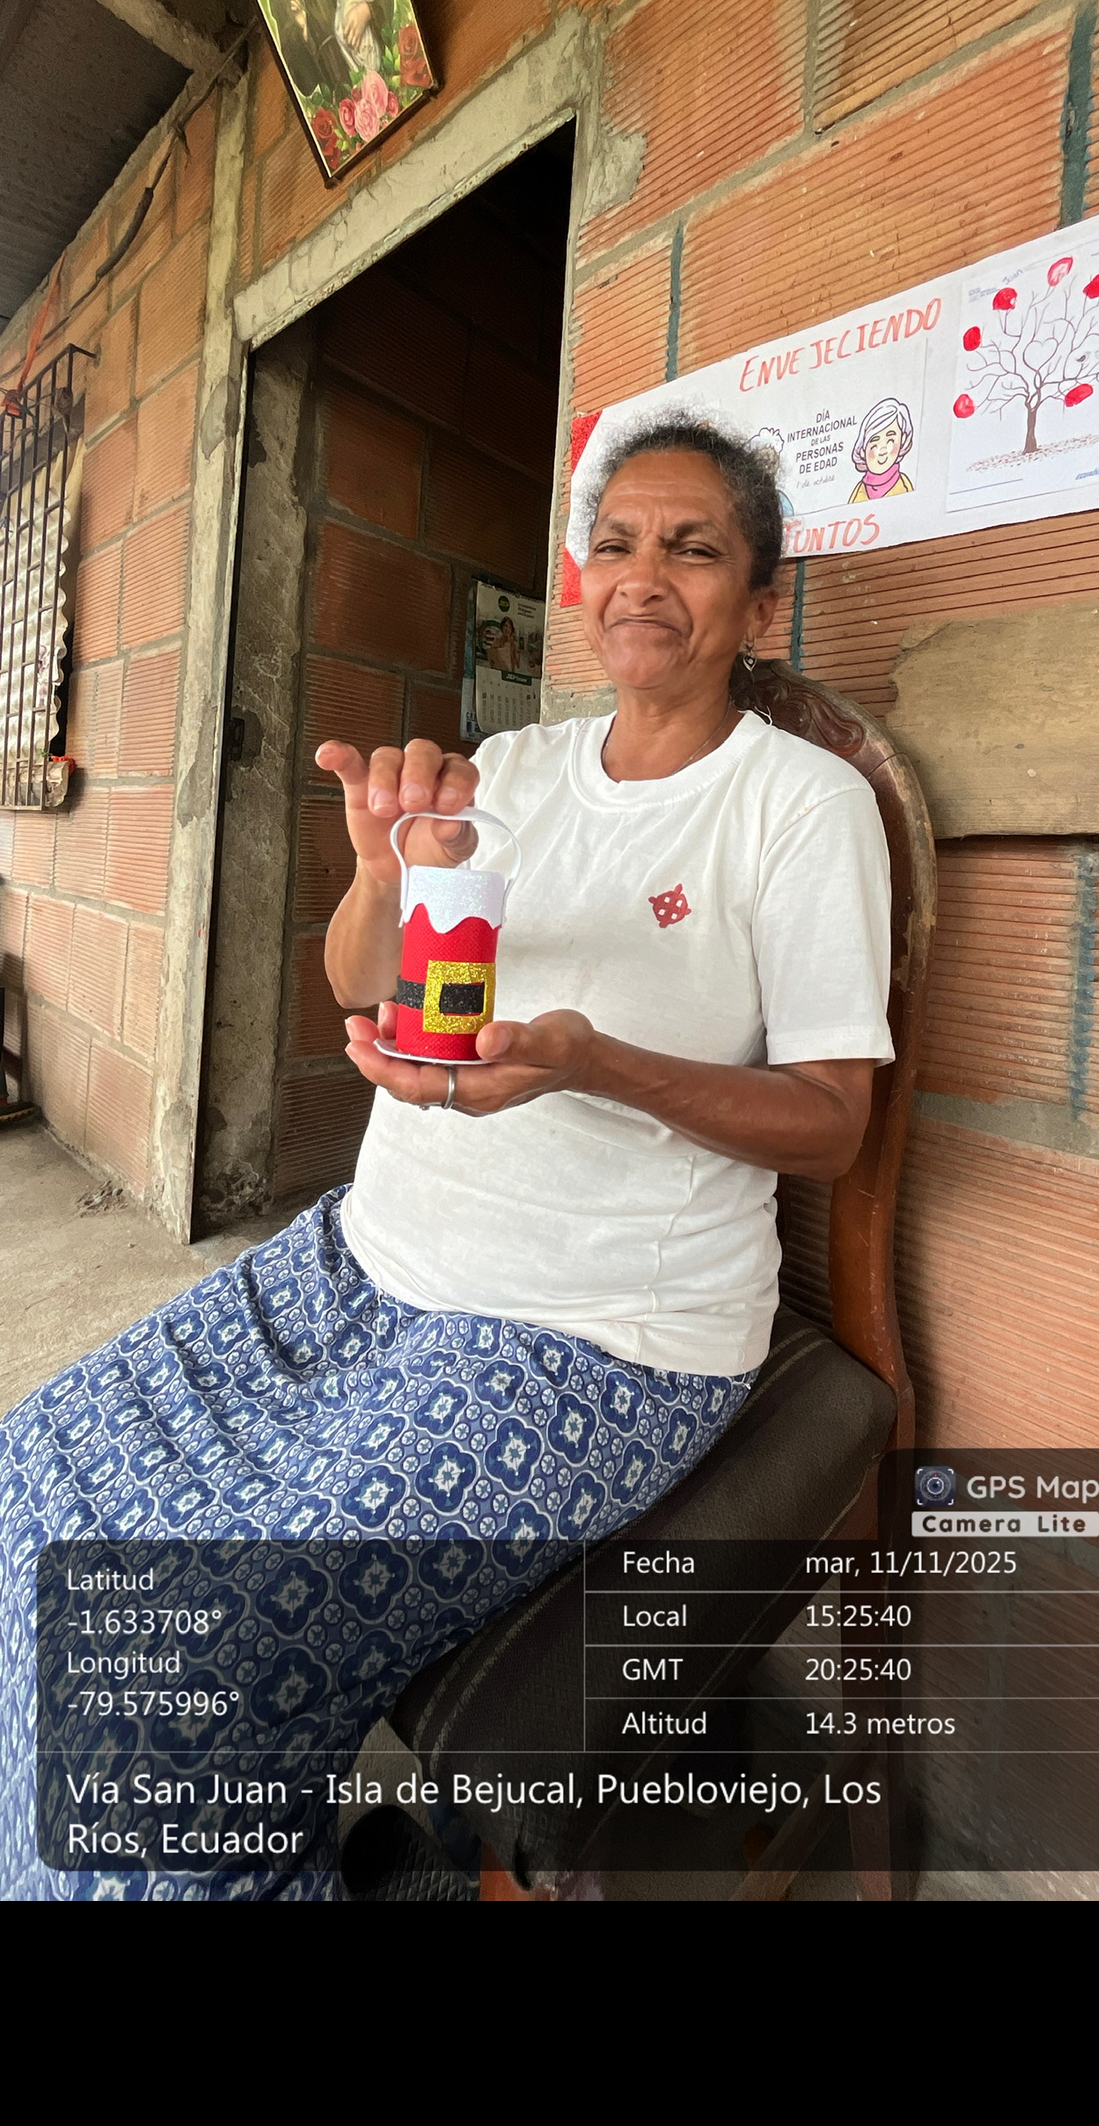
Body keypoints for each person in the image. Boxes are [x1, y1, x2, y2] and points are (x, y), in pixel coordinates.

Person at [0, 422, 893, 1902]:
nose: (641, 577)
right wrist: (378, 869)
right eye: (614, 544)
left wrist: (595, 1062)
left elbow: (832, 1118)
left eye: (692, 549)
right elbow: (364, 985)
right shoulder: (516, 769)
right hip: (365, 1261)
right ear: (579, 580)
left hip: (590, 1336)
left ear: (760, 602)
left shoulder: (799, 806)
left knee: (181, 1667)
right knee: (33, 1477)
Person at [848, 397, 915, 501]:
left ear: (902, 440)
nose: (883, 449)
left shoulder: (904, 486)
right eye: (874, 440)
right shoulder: (859, 491)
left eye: (890, 439)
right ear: (863, 450)